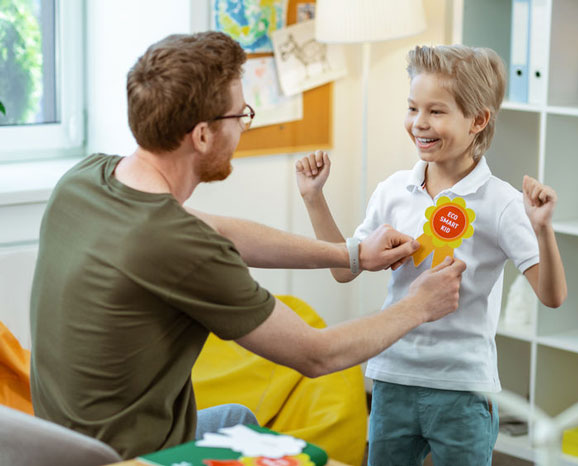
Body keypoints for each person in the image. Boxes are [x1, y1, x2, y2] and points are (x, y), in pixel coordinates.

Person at [29, 32, 467, 460]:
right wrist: (419, 306)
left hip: (57, 444)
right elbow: (317, 354)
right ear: (202, 135)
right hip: (125, 458)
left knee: (237, 418)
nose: (243, 127)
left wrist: (350, 253)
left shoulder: (87, 179)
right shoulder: (178, 246)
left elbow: (221, 233)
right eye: (240, 116)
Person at [295, 44, 568, 465]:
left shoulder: (502, 203)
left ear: (478, 120)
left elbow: (552, 296)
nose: (419, 123)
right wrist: (314, 199)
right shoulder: (392, 190)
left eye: (436, 111)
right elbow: (343, 271)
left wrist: (542, 228)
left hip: (463, 389)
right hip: (393, 378)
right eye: (412, 108)